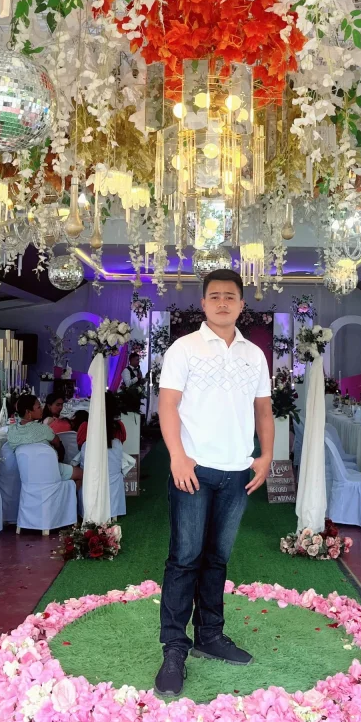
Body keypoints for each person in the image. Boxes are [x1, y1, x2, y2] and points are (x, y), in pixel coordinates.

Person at [154, 268, 274, 698]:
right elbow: (168, 406)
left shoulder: (253, 355)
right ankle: (173, 649)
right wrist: (178, 456)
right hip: (194, 470)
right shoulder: (183, 349)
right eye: (214, 296)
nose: (223, 302)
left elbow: (264, 410)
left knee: (217, 560)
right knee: (185, 558)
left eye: (231, 297)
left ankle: (210, 635)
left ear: (242, 304)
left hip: (237, 471)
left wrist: (265, 455)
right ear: (203, 304)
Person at [7, 395, 81, 487]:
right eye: (38, 407)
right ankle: (67, 498)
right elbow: (58, 444)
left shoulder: (12, 430)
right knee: (82, 474)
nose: (42, 409)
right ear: (28, 412)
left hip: (27, 474)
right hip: (49, 470)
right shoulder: (43, 429)